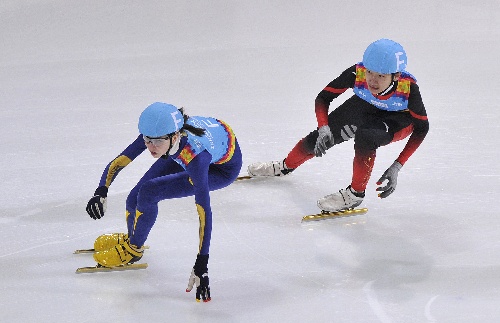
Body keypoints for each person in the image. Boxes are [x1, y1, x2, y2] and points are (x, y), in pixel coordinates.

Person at [248, 38, 429, 212]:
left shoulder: (409, 89)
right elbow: (323, 98)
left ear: (396, 75)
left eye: (381, 76)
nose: (372, 81)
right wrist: (323, 127)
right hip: (365, 106)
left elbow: (422, 128)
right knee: (314, 141)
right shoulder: (356, 73)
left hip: (398, 119)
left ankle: (355, 194)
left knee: (365, 137)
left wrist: (397, 165)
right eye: (369, 72)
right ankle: (284, 166)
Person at [86, 102, 242, 302]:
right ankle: (133, 239)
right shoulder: (159, 133)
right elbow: (120, 161)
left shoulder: (197, 157)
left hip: (220, 169)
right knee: (133, 197)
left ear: (174, 136)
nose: (150, 147)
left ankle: (133, 251)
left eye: (156, 142)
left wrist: (202, 263)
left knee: (150, 191)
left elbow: (204, 211)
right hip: (196, 142)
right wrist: (101, 191)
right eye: (147, 140)